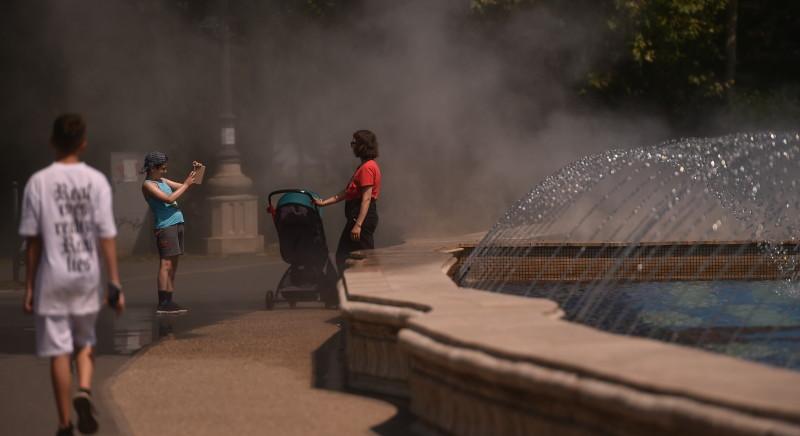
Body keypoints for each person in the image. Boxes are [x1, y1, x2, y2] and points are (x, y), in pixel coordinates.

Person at [19, 113, 124, 436]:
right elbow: (106, 235)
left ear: (53, 141)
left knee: (59, 351)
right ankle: (85, 390)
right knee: (84, 342)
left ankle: (64, 424)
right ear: (83, 142)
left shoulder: (38, 182)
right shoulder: (95, 181)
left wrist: (29, 286)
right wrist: (114, 282)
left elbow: (33, 240)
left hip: (53, 276)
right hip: (86, 276)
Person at [315, 129, 382, 273]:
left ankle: (368, 285)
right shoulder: (364, 167)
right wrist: (324, 202)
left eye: (354, 142)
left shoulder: (367, 168)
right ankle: (360, 282)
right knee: (349, 255)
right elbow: (347, 193)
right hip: (357, 216)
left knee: (360, 256)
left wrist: (358, 224)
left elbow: (366, 199)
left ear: (362, 145)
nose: (351, 145)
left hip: (361, 217)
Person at [141, 151, 199, 314]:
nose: (165, 171)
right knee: (165, 264)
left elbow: (185, 187)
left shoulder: (162, 180)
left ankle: (170, 300)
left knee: (173, 265)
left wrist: (195, 172)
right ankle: (163, 302)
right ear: (153, 168)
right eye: (162, 168)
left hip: (177, 223)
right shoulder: (148, 185)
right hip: (165, 226)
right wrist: (187, 184)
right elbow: (168, 199)